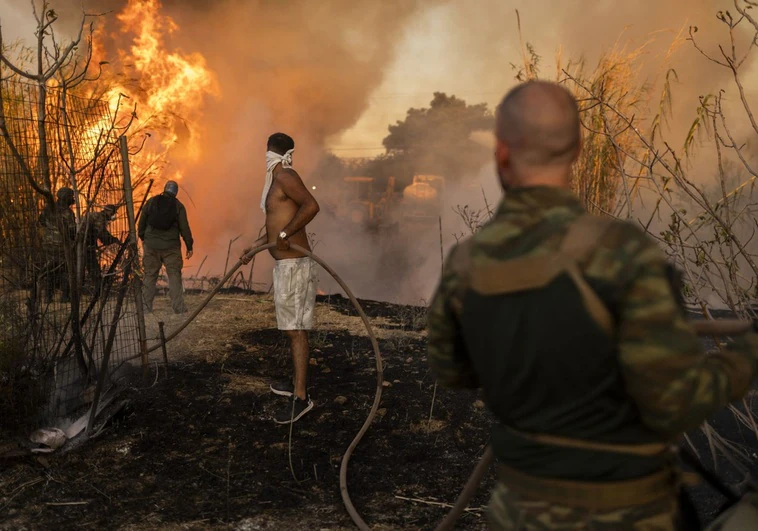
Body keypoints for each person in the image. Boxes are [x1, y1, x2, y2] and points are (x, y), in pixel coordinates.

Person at [426, 80, 758, 530]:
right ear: (578, 148)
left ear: (501, 152)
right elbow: (676, 401)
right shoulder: (623, 252)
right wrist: (748, 354)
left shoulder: (466, 262)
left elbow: (453, 372)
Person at [241, 132, 320, 424]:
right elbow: (277, 225)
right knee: (291, 328)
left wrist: (285, 235)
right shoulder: (277, 180)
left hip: (296, 266)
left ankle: (302, 399)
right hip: (287, 266)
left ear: (269, 153)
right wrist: (257, 245)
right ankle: (295, 385)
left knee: (296, 329)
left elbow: (312, 205)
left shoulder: (286, 176)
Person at [138, 180, 194, 314]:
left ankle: (145, 308)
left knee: (150, 275)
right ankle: (179, 308)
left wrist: (144, 238)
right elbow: (184, 228)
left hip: (151, 245)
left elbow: (141, 223)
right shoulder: (178, 206)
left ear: (165, 189)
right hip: (171, 247)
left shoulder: (151, 201)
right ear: (176, 192)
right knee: (174, 276)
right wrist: (189, 245)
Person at [39, 187, 76, 302]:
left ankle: (48, 297)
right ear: (66, 198)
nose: (73, 199)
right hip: (61, 245)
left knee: (51, 270)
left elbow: (41, 222)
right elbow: (71, 231)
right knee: (66, 269)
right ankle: (65, 297)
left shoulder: (48, 208)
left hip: (48, 244)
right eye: (71, 196)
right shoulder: (68, 212)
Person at [82, 204, 121, 295]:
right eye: (113, 213)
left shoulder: (96, 216)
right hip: (85, 246)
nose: (113, 215)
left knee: (81, 267)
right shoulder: (100, 218)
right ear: (109, 212)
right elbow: (102, 234)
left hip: (83, 244)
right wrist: (112, 240)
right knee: (94, 269)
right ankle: (98, 292)